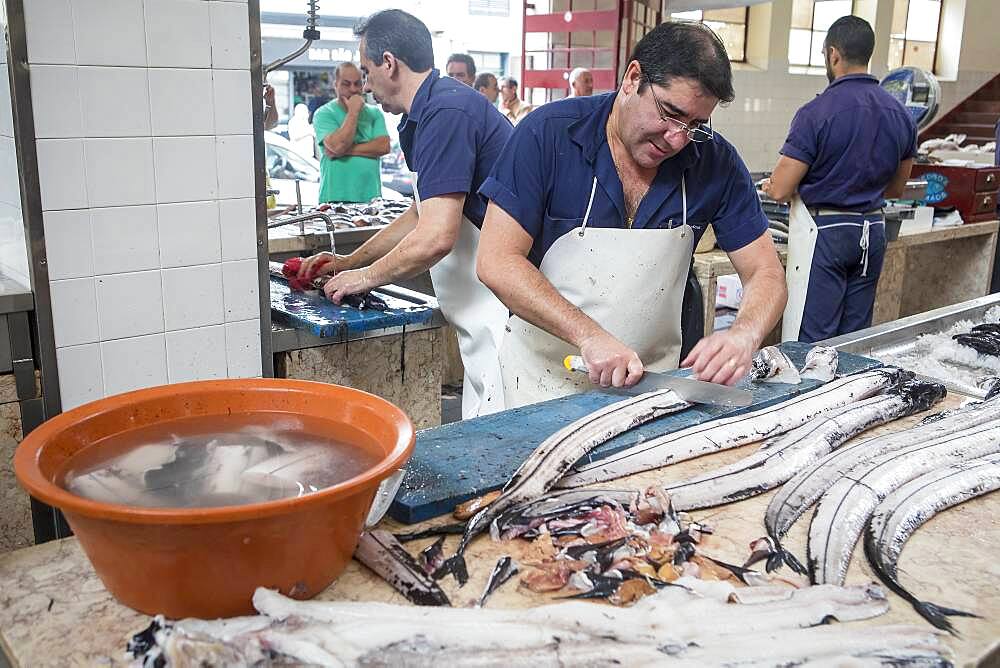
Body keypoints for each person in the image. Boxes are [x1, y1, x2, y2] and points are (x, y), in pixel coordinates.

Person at [476, 21, 786, 408]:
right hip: (538, 384)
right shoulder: (548, 135)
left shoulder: (715, 162)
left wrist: (744, 333)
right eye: (670, 113)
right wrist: (588, 335)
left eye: (694, 126)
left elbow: (766, 272)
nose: (677, 139)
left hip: (650, 393)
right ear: (633, 77)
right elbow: (496, 260)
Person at [298, 11, 513, 419]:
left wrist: (363, 278)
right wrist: (350, 261)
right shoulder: (429, 111)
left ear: (390, 63)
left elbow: (436, 235)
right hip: (481, 315)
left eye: (366, 71)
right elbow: (419, 213)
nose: (364, 84)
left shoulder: (447, 112)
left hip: (504, 311)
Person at [761, 16, 916, 343]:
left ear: (833, 54)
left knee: (813, 342)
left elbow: (781, 188)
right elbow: (897, 188)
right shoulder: (900, 114)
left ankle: (810, 394)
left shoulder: (817, 112)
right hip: (872, 233)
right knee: (853, 340)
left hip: (827, 234)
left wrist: (770, 186)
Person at [312, 61, 391, 203]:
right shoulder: (324, 113)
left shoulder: (374, 113)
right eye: (346, 84)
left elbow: (383, 146)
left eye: (357, 83)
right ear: (335, 85)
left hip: (371, 198)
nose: (353, 89)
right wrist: (353, 112)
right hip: (334, 198)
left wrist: (342, 152)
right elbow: (337, 146)